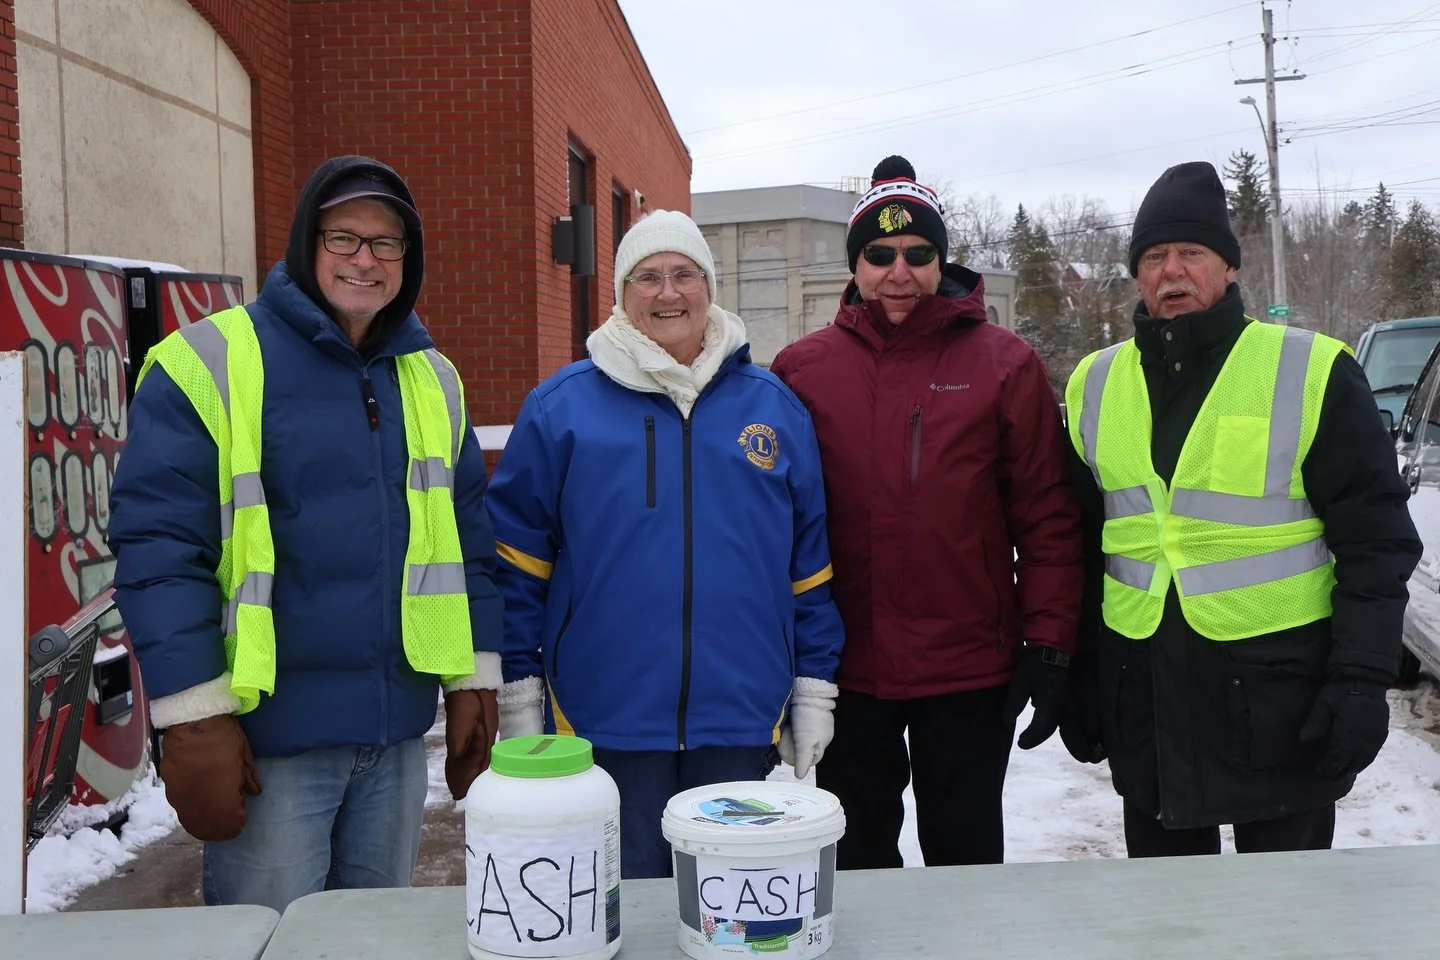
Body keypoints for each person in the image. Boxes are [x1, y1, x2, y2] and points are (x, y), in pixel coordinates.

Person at [108, 155, 505, 910]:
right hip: (270, 747)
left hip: (391, 743)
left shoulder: (432, 380)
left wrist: (473, 681)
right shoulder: (208, 361)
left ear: (408, 261)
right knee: (272, 943)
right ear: (304, 243)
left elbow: (465, 545)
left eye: (386, 244)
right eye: (344, 237)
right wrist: (194, 714)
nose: (365, 259)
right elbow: (160, 553)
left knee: (372, 943)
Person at [1059, 160, 1422, 857]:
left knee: (1286, 925)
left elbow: (1377, 543)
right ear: (1136, 274)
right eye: (1155, 257)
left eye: (1192, 253)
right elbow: (1079, 546)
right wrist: (1079, 675)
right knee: (1174, 925)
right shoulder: (1093, 385)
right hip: (1150, 711)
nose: (1172, 272)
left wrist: (1360, 681)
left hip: (1282, 709)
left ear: (1228, 268)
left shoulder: (1311, 371)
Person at [487, 209, 846, 879]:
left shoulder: (771, 408)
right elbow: (517, 567)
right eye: (647, 277)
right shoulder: (560, 410)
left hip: (741, 715)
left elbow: (808, 565)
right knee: (630, 903)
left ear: (710, 287)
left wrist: (813, 687)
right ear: (621, 296)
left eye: (685, 274)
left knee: (726, 906)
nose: (668, 292)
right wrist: (518, 690)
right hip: (604, 715)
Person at [770, 156, 1084, 869]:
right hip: (847, 670)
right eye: (879, 255)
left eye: (918, 253)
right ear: (857, 265)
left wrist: (1050, 641)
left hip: (968, 669)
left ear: (941, 259)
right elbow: (774, 523)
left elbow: (1046, 515)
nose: (899, 270)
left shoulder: (1004, 363)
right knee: (856, 862)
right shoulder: (802, 369)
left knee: (966, 858)